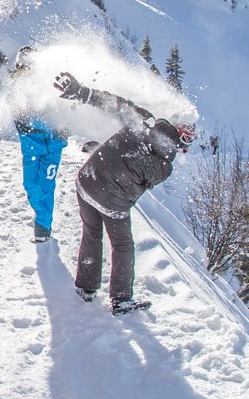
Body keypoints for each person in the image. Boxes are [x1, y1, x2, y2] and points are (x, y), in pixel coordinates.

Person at [52, 71, 195, 315]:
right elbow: (136, 172)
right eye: (188, 138)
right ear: (180, 138)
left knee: (91, 234)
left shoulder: (143, 122)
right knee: (122, 245)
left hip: (87, 182)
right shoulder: (165, 168)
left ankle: (86, 287)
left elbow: (115, 105)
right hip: (113, 202)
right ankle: (120, 299)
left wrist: (81, 92)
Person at [11, 46, 68, 243]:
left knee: (46, 186)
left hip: (52, 147)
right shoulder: (17, 91)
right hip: (30, 147)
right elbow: (17, 116)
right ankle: (40, 214)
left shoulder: (49, 89)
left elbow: (63, 111)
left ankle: (43, 228)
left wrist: (62, 127)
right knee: (29, 184)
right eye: (23, 69)